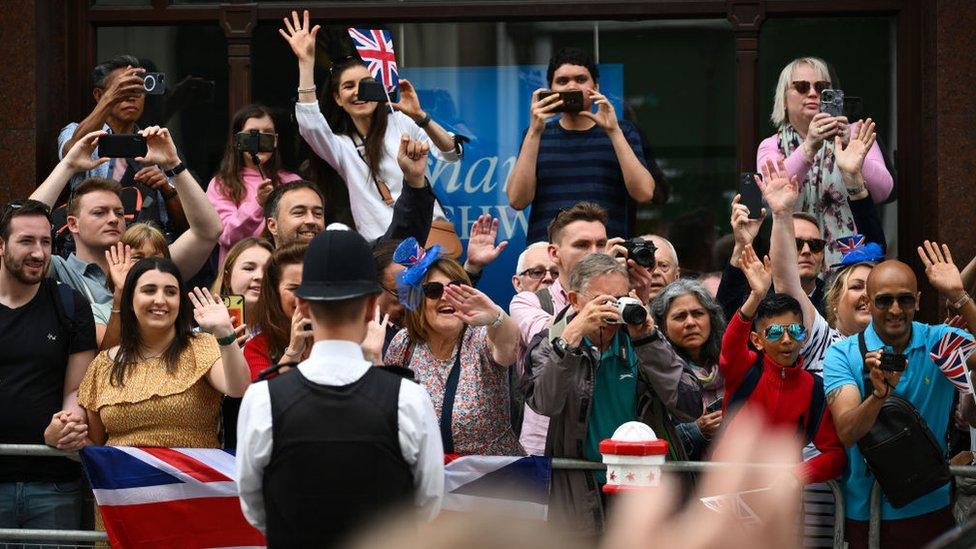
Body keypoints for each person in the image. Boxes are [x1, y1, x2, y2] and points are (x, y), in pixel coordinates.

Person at [236, 229, 444, 546]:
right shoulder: (408, 396)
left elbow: (254, 508)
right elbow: (427, 503)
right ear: (373, 305)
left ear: (302, 306)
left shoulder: (263, 396)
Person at [525, 253, 702, 535]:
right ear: (574, 299)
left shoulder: (641, 339)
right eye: (602, 300)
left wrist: (648, 341)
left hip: (644, 490)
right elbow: (544, 402)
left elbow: (690, 406)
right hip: (582, 490)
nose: (611, 309)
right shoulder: (551, 342)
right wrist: (570, 341)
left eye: (619, 298)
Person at [824, 247, 976, 548]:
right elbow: (847, 431)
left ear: (918, 301)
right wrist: (878, 396)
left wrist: (959, 295)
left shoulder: (939, 341)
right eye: (884, 301)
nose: (895, 310)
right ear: (868, 302)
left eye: (905, 299)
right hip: (865, 513)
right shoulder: (843, 353)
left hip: (930, 508)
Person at [281, 10, 461, 243]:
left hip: (429, 237)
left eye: (366, 85)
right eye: (348, 86)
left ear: (379, 90)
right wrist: (306, 63)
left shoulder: (402, 122)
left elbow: (452, 152)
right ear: (337, 98)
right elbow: (311, 126)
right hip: (384, 250)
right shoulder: (342, 146)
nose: (358, 93)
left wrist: (421, 117)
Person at [31, 128, 222, 332]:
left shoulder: (147, 265)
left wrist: (173, 164)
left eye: (119, 213)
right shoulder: (59, 269)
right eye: (100, 213)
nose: (113, 219)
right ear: (73, 224)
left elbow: (209, 231)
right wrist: (68, 165)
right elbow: (21, 227)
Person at [73, 256, 250, 448]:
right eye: (149, 290)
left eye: (170, 292)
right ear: (130, 300)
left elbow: (238, 387)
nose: (160, 300)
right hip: (124, 476)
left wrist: (224, 332)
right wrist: (62, 438)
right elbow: (96, 446)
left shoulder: (201, 346)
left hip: (191, 477)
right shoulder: (102, 364)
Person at [0, 199, 96, 535]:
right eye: (26, 241)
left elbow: (76, 388)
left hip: (53, 483)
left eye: (45, 242)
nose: (39, 253)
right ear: (1, 246)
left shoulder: (71, 304)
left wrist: (68, 424)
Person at [718, 244, 845, 485]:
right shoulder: (745, 368)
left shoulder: (814, 388)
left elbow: (836, 455)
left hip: (779, 502)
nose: (787, 340)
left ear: (805, 336)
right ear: (757, 340)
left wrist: (795, 475)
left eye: (795, 331)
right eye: (775, 332)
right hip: (726, 491)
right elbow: (731, 344)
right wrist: (756, 296)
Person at [507, 47, 656, 243]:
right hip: (549, 261)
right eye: (562, 81)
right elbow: (517, 200)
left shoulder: (623, 132)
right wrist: (535, 131)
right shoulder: (536, 134)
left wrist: (613, 131)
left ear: (596, 86)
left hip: (605, 254)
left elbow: (644, 193)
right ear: (550, 89)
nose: (571, 87)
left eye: (580, 79)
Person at [385, 245, 523, 456]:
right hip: (427, 479)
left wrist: (496, 316)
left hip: (492, 483)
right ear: (419, 301)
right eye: (433, 291)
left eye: (456, 288)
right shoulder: (404, 343)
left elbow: (511, 347)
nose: (445, 297)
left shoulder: (481, 336)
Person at [757, 56, 893, 263]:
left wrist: (850, 149)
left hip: (850, 264)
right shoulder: (771, 145)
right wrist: (809, 147)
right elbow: (770, 192)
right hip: (795, 262)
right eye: (802, 87)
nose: (813, 93)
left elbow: (884, 191)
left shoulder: (856, 132)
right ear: (783, 99)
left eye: (821, 87)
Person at [58, 54, 187, 233]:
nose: (131, 97)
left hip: (146, 248)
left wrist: (166, 188)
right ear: (99, 95)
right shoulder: (74, 131)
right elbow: (73, 153)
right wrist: (110, 98)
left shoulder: (156, 142)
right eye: (121, 89)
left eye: (137, 90)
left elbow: (187, 226)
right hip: (93, 241)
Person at [206, 104, 303, 262]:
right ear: (238, 140)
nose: (260, 140)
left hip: (284, 270)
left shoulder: (293, 182)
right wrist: (257, 203)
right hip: (241, 273)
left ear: (276, 140)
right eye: (253, 134)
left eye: (268, 134)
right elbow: (226, 236)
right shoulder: (221, 184)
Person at [650, 279, 726, 460]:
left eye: (698, 313)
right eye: (680, 316)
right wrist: (696, 430)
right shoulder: (657, 373)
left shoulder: (731, 363)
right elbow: (654, 439)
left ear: (711, 318)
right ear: (663, 327)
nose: (690, 322)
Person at [243, 242, 309, 380]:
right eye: (294, 288)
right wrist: (293, 352)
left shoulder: (342, 334)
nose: (305, 296)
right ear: (275, 292)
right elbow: (265, 397)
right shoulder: (257, 347)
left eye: (312, 285)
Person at [212, 236, 274, 336]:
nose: (260, 276)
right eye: (249, 268)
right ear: (227, 278)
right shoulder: (201, 335)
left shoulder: (286, 333)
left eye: (267, 271)